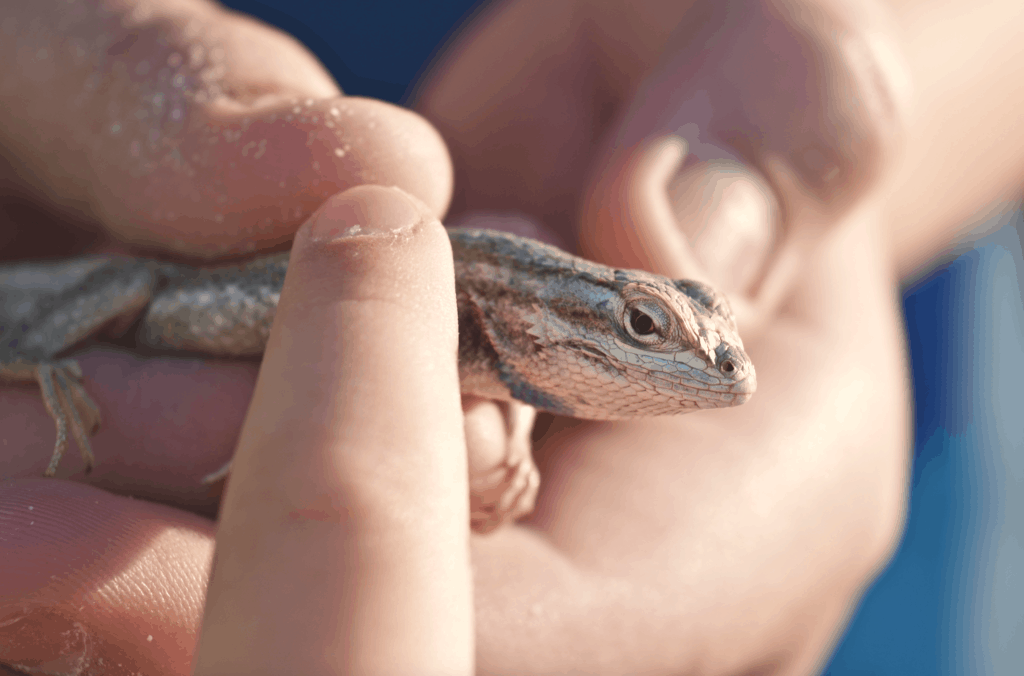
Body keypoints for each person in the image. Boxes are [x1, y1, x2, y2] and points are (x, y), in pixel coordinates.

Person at [1, 1, 1021, 675]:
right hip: (136, 257)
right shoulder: (476, 299)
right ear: (566, 313)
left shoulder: (498, 345)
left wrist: (824, 132)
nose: (686, 356)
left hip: (911, 480)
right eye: (641, 328)